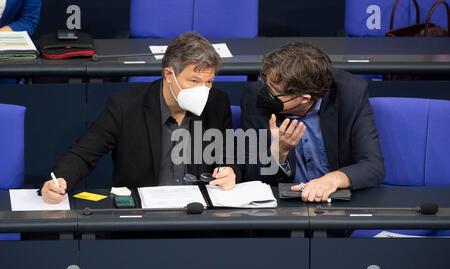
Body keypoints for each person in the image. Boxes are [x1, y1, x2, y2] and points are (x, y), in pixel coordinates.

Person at [41, 32, 241, 204]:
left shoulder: (217, 103)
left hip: (199, 219)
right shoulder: (126, 107)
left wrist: (231, 171)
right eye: (194, 81)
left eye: (209, 82)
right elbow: (83, 154)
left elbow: (229, 156)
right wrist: (60, 179)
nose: (202, 90)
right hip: (143, 220)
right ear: (169, 75)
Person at [241, 42, 384, 202]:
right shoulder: (254, 99)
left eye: (274, 92)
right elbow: (250, 175)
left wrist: (332, 180)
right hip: (284, 206)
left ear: (303, 98)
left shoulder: (350, 94)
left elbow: (372, 166)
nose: (265, 93)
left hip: (337, 203)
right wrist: (278, 153)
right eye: (266, 84)